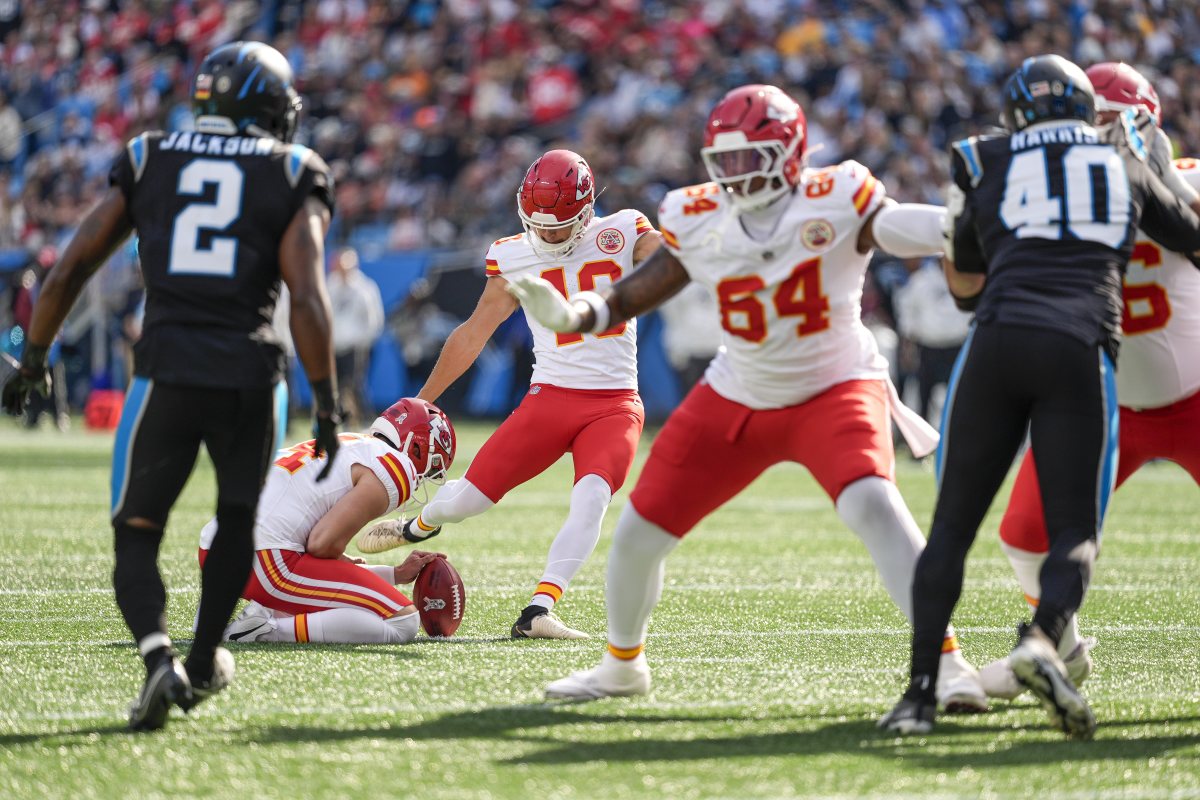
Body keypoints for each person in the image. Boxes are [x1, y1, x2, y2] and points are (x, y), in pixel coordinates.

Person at [506, 84, 986, 710]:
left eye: (747, 157)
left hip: (833, 384)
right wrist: (584, 312)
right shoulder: (699, 212)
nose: (733, 174)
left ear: (789, 154)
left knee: (873, 503)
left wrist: (956, 224)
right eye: (723, 159)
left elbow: (896, 226)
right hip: (739, 387)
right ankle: (622, 664)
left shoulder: (836, 194)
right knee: (639, 531)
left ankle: (945, 663)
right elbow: (649, 284)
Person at [0, 41, 342, 731]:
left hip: (166, 369)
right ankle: (207, 655)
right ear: (270, 109)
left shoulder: (152, 154)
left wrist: (34, 361)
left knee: (136, 530)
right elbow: (305, 296)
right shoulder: (294, 168)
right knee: (238, 520)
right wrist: (328, 402)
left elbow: (68, 270)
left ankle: (159, 658)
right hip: (250, 372)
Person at [878, 56, 1200, 739]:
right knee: (1057, 532)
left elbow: (965, 282)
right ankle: (1053, 643)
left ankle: (918, 696)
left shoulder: (984, 158)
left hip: (1014, 346)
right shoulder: (1128, 164)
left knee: (953, 528)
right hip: (1088, 361)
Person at [357, 149, 661, 640]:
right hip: (550, 398)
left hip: (614, 402)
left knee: (591, 500)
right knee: (467, 503)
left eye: (560, 228)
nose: (549, 236)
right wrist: (421, 400)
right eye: (539, 226)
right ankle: (420, 525)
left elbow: (672, 262)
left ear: (586, 213)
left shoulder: (623, 229)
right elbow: (474, 332)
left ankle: (539, 609)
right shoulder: (514, 252)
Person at [980, 63, 1200, 701]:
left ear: (1143, 126)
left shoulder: (1183, 180)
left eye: (1105, 122)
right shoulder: (1045, 191)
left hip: (1193, 397)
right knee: (1024, 533)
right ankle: (1064, 651)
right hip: (1103, 399)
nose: (1090, 136)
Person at [204, 398, 457, 645]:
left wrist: (396, 574)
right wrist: (340, 559)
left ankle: (257, 613)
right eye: (433, 467)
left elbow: (316, 552)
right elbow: (322, 545)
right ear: (416, 448)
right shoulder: (395, 466)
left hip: (216, 549)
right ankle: (266, 630)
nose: (425, 477)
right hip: (264, 560)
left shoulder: (352, 443)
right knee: (404, 621)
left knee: (339, 600)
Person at [328, 247, 384, 427]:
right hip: (334, 345)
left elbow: (373, 319)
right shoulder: (331, 285)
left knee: (355, 384)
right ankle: (340, 419)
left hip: (355, 345)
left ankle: (366, 419)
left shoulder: (363, 288)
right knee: (334, 385)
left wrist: (364, 341)